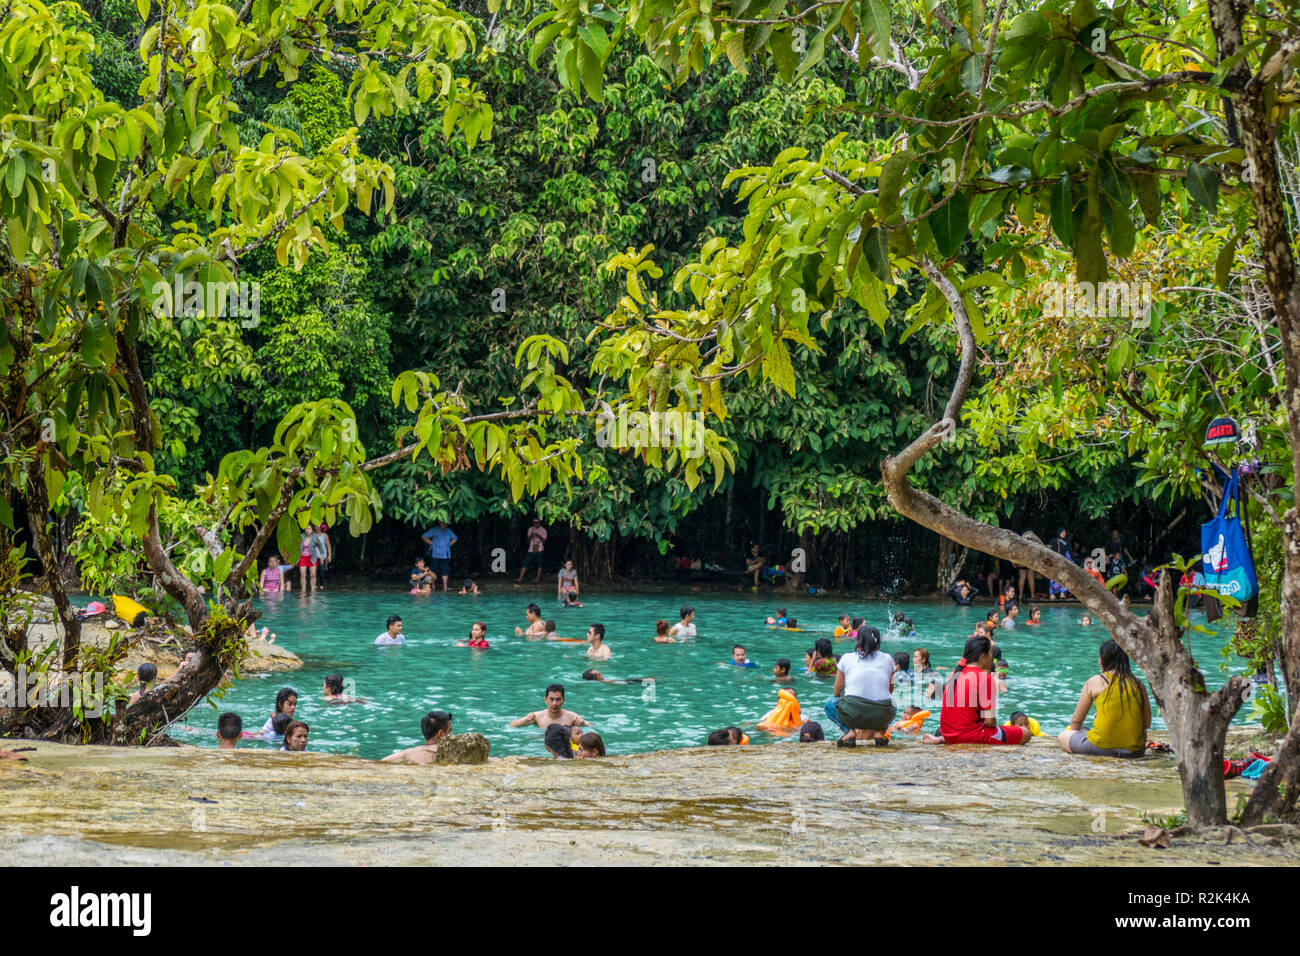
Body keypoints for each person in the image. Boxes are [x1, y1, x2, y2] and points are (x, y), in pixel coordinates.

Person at [1058, 639, 1150, 758]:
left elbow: (1076, 720)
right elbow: (1146, 723)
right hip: (1135, 751)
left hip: (1100, 748)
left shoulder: (1094, 681)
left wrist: (1071, 733)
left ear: (1104, 660)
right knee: (1085, 730)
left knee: (1063, 735)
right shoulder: (1138, 684)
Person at [935, 636, 1029, 746]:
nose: (992, 657)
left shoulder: (954, 674)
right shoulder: (984, 678)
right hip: (971, 736)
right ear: (982, 656)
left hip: (948, 735)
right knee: (1025, 733)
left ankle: (942, 739)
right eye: (990, 653)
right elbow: (990, 722)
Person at [825, 626, 896, 747]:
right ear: (878, 642)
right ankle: (879, 732)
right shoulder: (888, 659)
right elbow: (889, 691)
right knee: (892, 703)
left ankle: (849, 731)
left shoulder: (846, 658)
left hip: (853, 714)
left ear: (858, 641)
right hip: (882, 714)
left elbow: (836, 692)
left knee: (830, 704)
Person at [382, 710, 454, 764]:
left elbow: (382, 763)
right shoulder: (449, 753)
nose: (452, 735)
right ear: (441, 734)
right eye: (450, 731)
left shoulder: (407, 754)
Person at [509, 684, 589, 730]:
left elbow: (592, 728)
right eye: (551, 699)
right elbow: (511, 725)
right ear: (545, 700)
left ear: (563, 700)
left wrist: (583, 724)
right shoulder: (537, 717)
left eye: (558, 699)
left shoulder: (572, 717)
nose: (554, 703)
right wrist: (525, 720)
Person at [420, 520, 458, 591]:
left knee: (445, 571)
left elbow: (455, 538)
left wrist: (448, 545)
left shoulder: (448, 531)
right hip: (435, 554)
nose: (444, 524)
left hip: (445, 555)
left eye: (445, 523)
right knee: (433, 570)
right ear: (439, 523)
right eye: (442, 523)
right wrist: (431, 543)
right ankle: (432, 586)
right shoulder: (434, 530)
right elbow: (423, 536)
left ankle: (445, 587)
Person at [518, 518, 548, 584]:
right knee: (525, 563)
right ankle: (520, 578)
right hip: (531, 549)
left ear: (540, 523)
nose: (535, 523)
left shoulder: (543, 530)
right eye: (534, 522)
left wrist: (538, 536)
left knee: (539, 564)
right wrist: (531, 536)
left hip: (540, 549)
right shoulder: (530, 529)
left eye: (537, 522)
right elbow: (528, 540)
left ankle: (537, 579)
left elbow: (544, 542)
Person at [297, 523, 319, 594]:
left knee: (313, 574)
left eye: (309, 528)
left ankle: (312, 589)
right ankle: (303, 589)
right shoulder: (301, 536)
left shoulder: (315, 537)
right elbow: (297, 546)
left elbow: (320, 547)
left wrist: (321, 556)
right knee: (302, 574)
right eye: (306, 528)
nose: (307, 530)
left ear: (312, 530)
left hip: (312, 557)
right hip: (303, 557)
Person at [311, 522, 332, 588]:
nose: (315, 527)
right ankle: (315, 584)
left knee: (321, 570)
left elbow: (328, 545)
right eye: (314, 526)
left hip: (323, 556)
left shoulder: (325, 535)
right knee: (314, 571)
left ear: (320, 528)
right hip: (314, 556)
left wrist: (329, 555)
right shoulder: (312, 535)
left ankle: (321, 584)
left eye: (317, 526)